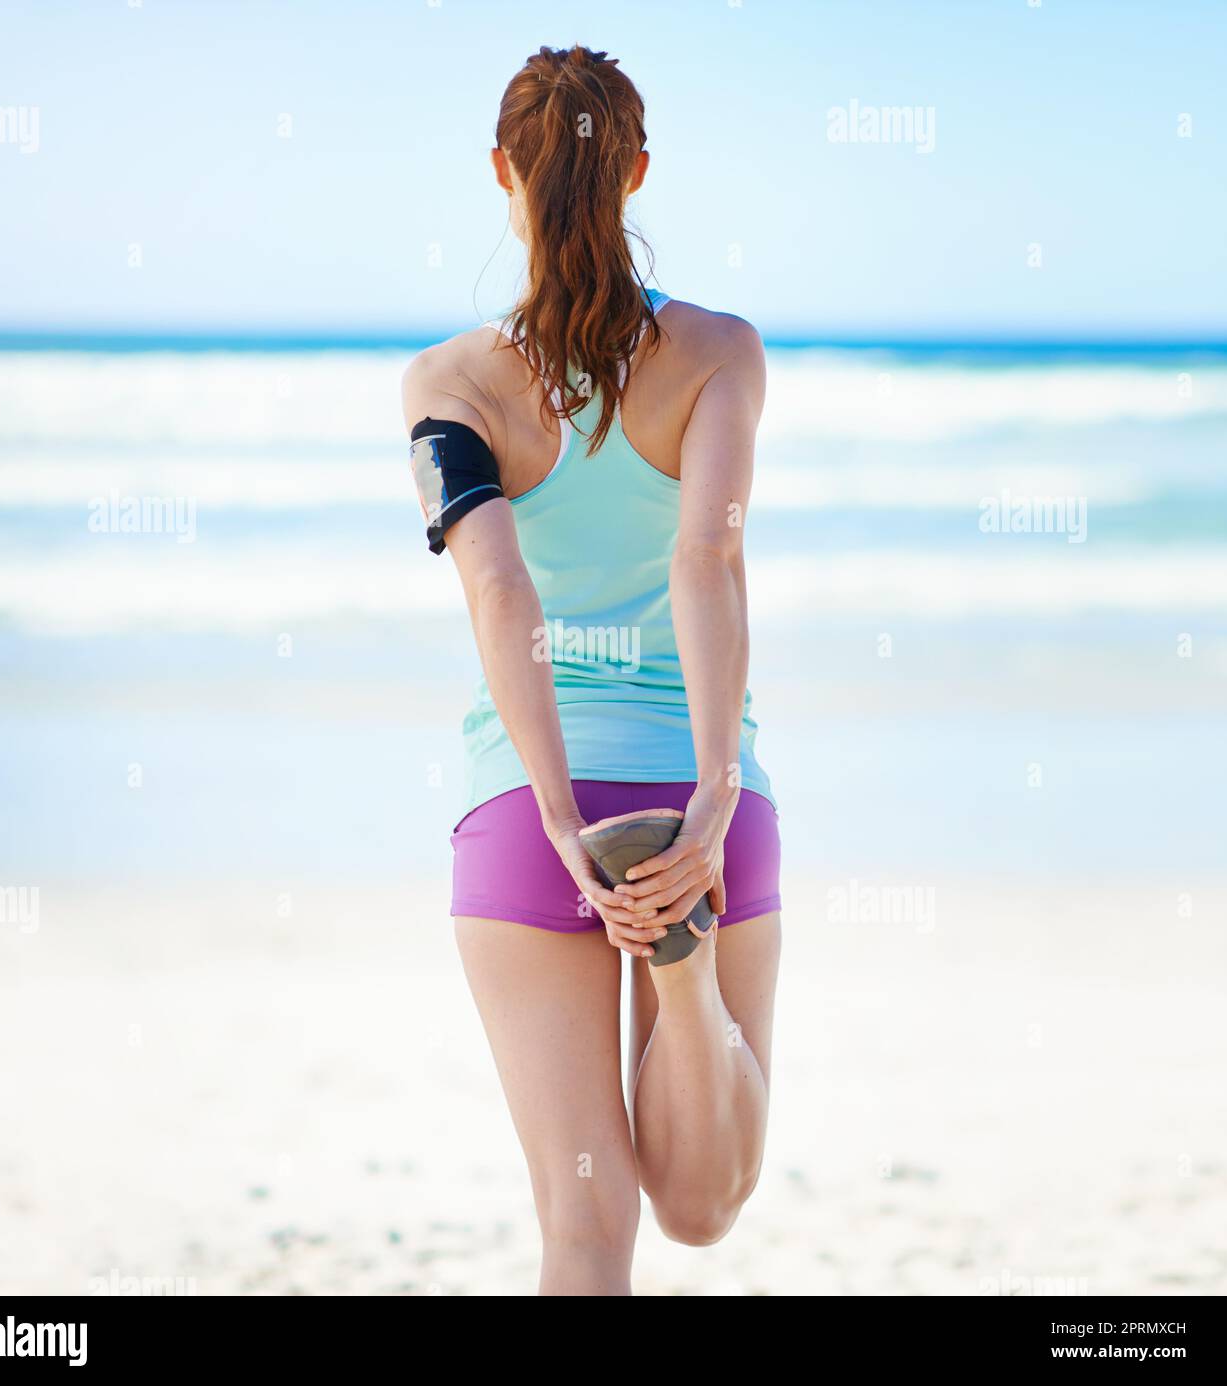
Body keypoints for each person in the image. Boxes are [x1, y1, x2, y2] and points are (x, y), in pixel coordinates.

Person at [402, 44, 782, 1296]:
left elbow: (499, 590)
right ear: (634, 174)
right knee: (701, 1205)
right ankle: (683, 983)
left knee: (586, 1224)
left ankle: (672, 966)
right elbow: (706, 562)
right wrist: (715, 796)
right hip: (696, 792)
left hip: (526, 812)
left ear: (503, 172)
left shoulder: (449, 384)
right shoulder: (722, 352)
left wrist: (559, 812)